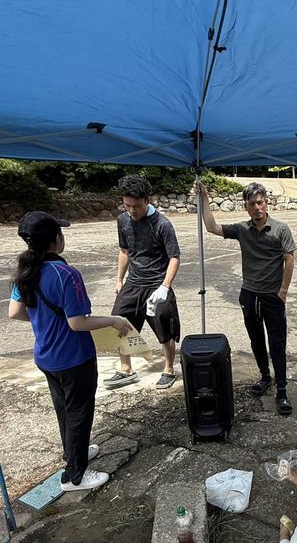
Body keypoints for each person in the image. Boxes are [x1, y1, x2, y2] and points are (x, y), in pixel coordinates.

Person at [8, 211, 131, 490]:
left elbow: (15, 312)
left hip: (46, 356)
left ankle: (73, 451)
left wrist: (45, 319)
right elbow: (78, 323)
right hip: (74, 357)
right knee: (79, 412)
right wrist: (114, 320)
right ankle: (75, 476)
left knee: (64, 408)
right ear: (55, 239)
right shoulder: (66, 274)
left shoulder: (26, 271)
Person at [195, 179, 296, 416]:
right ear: (246, 207)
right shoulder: (242, 229)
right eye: (252, 204)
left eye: (260, 202)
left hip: (273, 296)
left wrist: (283, 291)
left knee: (277, 343)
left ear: (266, 203)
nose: (257, 208)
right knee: (256, 340)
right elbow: (211, 227)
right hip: (249, 294)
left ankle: (282, 390)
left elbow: (289, 259)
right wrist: (204, 198)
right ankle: (264, 377)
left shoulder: (281, 229)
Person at [105, 174, 181, 391]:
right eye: (127, 205)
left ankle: (168, 369)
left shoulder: (162, 224)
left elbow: (174, 257)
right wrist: (119, 279)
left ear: (147, 200)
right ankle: (126, 369)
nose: (132, 210)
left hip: (157, 283)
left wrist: (165, 287)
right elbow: (124, 251)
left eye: (136, 206)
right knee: (119, 322)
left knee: (164, 326)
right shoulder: (123, 220)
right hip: (134, 282)